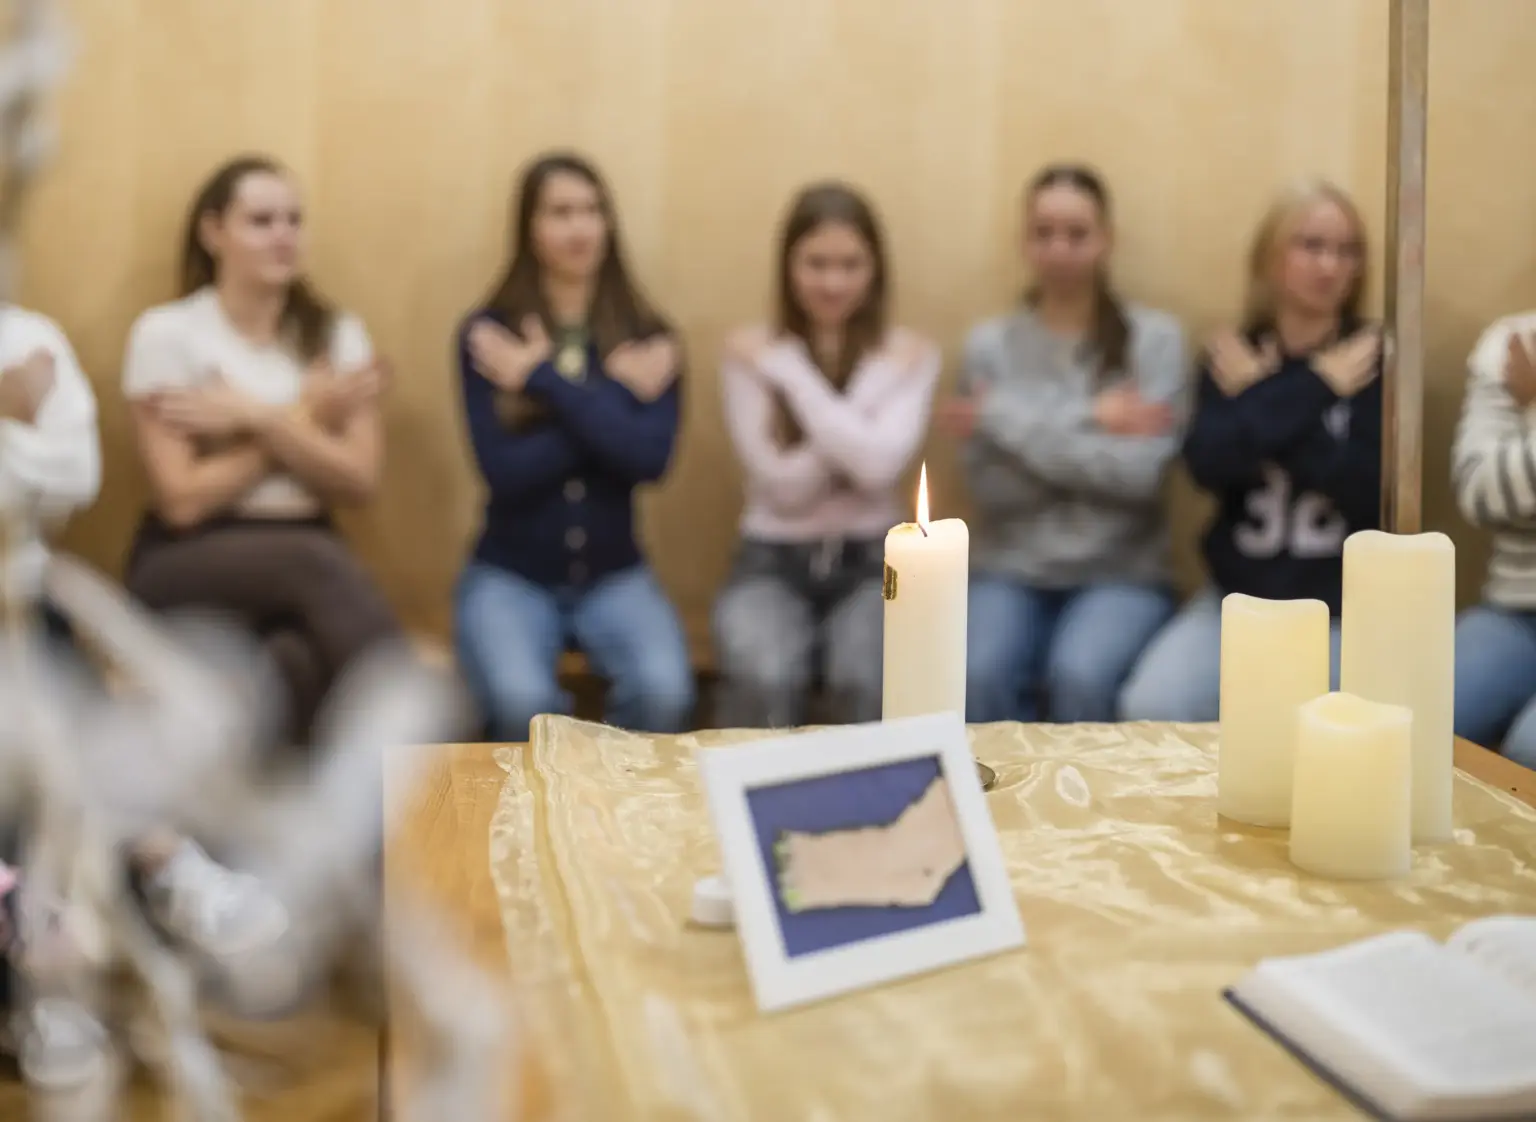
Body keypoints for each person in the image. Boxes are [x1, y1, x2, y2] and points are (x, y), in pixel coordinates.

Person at [120, 154, 403, 748]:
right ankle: (439, 784)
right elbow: (183, 501)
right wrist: (301, 418)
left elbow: (358, 481)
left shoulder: (334, 333)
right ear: (213, 231)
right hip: (190, 555)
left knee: (293, 663)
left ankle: (296, 835)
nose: (284, 236)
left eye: (294, 221)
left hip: (311, 545)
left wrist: (258, 418)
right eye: (262, 220)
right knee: (313, 562)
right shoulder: (167, 334)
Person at [1118, 179, 1383, 722]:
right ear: (1270, 257)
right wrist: (1316, 388)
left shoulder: (1372, 359)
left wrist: (1265, 400)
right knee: (1149, 706)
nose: (1330, 266)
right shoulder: (1233, 354)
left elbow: (1363, 486)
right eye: (1311, 246)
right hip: (1236, 598)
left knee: (1314, 729)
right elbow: (1209, 465)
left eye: (1347, 250)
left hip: (1337, 609)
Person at [454, 151, 694, 741]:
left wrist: (543, 382)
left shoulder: (649, 336)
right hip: (510, 574)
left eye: (592, 210)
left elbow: (649, 460)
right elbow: (505, 472)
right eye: (560, 212)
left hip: (617, 574)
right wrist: (611, 396)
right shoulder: (490, 336)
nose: (579, 227)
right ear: (529, 228)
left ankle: (621, 830)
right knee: (523, 703)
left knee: (666, 691)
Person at [936, 165, 1186, 723]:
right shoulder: (990, 347)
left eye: (1077, 233)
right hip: (1010, 567)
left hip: (1123, 572)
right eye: (1043, 232)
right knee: (978, 673)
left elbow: (1139, 480)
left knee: (1081, 674)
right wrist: (1093, 418)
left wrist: (1006, 420)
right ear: (1024, 241)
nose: (1059, 249)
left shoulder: (1155, 341)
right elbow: (993, 489)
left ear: (1107, 239)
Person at [714, 183, 939, 728]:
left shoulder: (909, 354)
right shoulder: (747, 352)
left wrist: (791, 374)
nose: (833, 282)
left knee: (864, 677)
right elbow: (783, 488)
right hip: (769, 559)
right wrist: (860, 423)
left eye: (850, 265)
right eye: (816, 263)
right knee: (764, 676)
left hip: (873, 564)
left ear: (875, 269)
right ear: (788, 267)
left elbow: (880, 470)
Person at [1448, 314, 1536, 770]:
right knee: (1420, 719)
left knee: (1529, 751)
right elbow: (1478, 493)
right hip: (1514, 612)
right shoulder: (1515, 345)